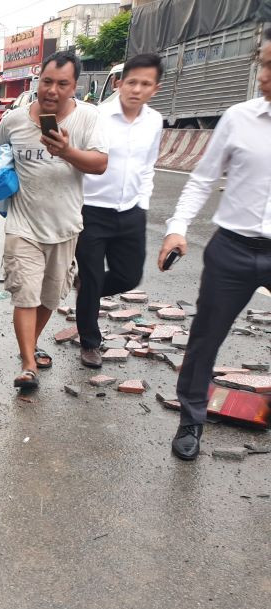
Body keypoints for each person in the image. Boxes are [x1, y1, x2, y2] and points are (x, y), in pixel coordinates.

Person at [161, 28, 271, 461]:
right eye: (262, 63)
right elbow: (203, 178)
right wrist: (177, 227)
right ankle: (191, 419)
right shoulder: (239, 118)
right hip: (232, 249)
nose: (263, 74)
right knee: (205, 339)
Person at [0, 50, 109, 390]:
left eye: (62, 84)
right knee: (25, 295)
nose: (52, 90)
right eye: (47, 81)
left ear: (74, 87)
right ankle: (27, 365)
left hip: (66, 227)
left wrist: (66, 151)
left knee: (49, 299)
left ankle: (30, 345)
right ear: (39, 80)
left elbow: (99, 164)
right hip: (22, 225)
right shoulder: (15, 120)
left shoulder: (88, 118)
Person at [75, 54, 164, 368]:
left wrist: (143, 204)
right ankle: (90, 342)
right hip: (91, 212)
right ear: (118, 83)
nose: (137, 89)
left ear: (155, 88)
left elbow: (148, 167)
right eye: (132, 82)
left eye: (145, 84)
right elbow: (77, 161)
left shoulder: (154, 121)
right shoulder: (96, 117)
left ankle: (88, 287)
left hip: (130, 212)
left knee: (129, 276)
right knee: (93, 275)